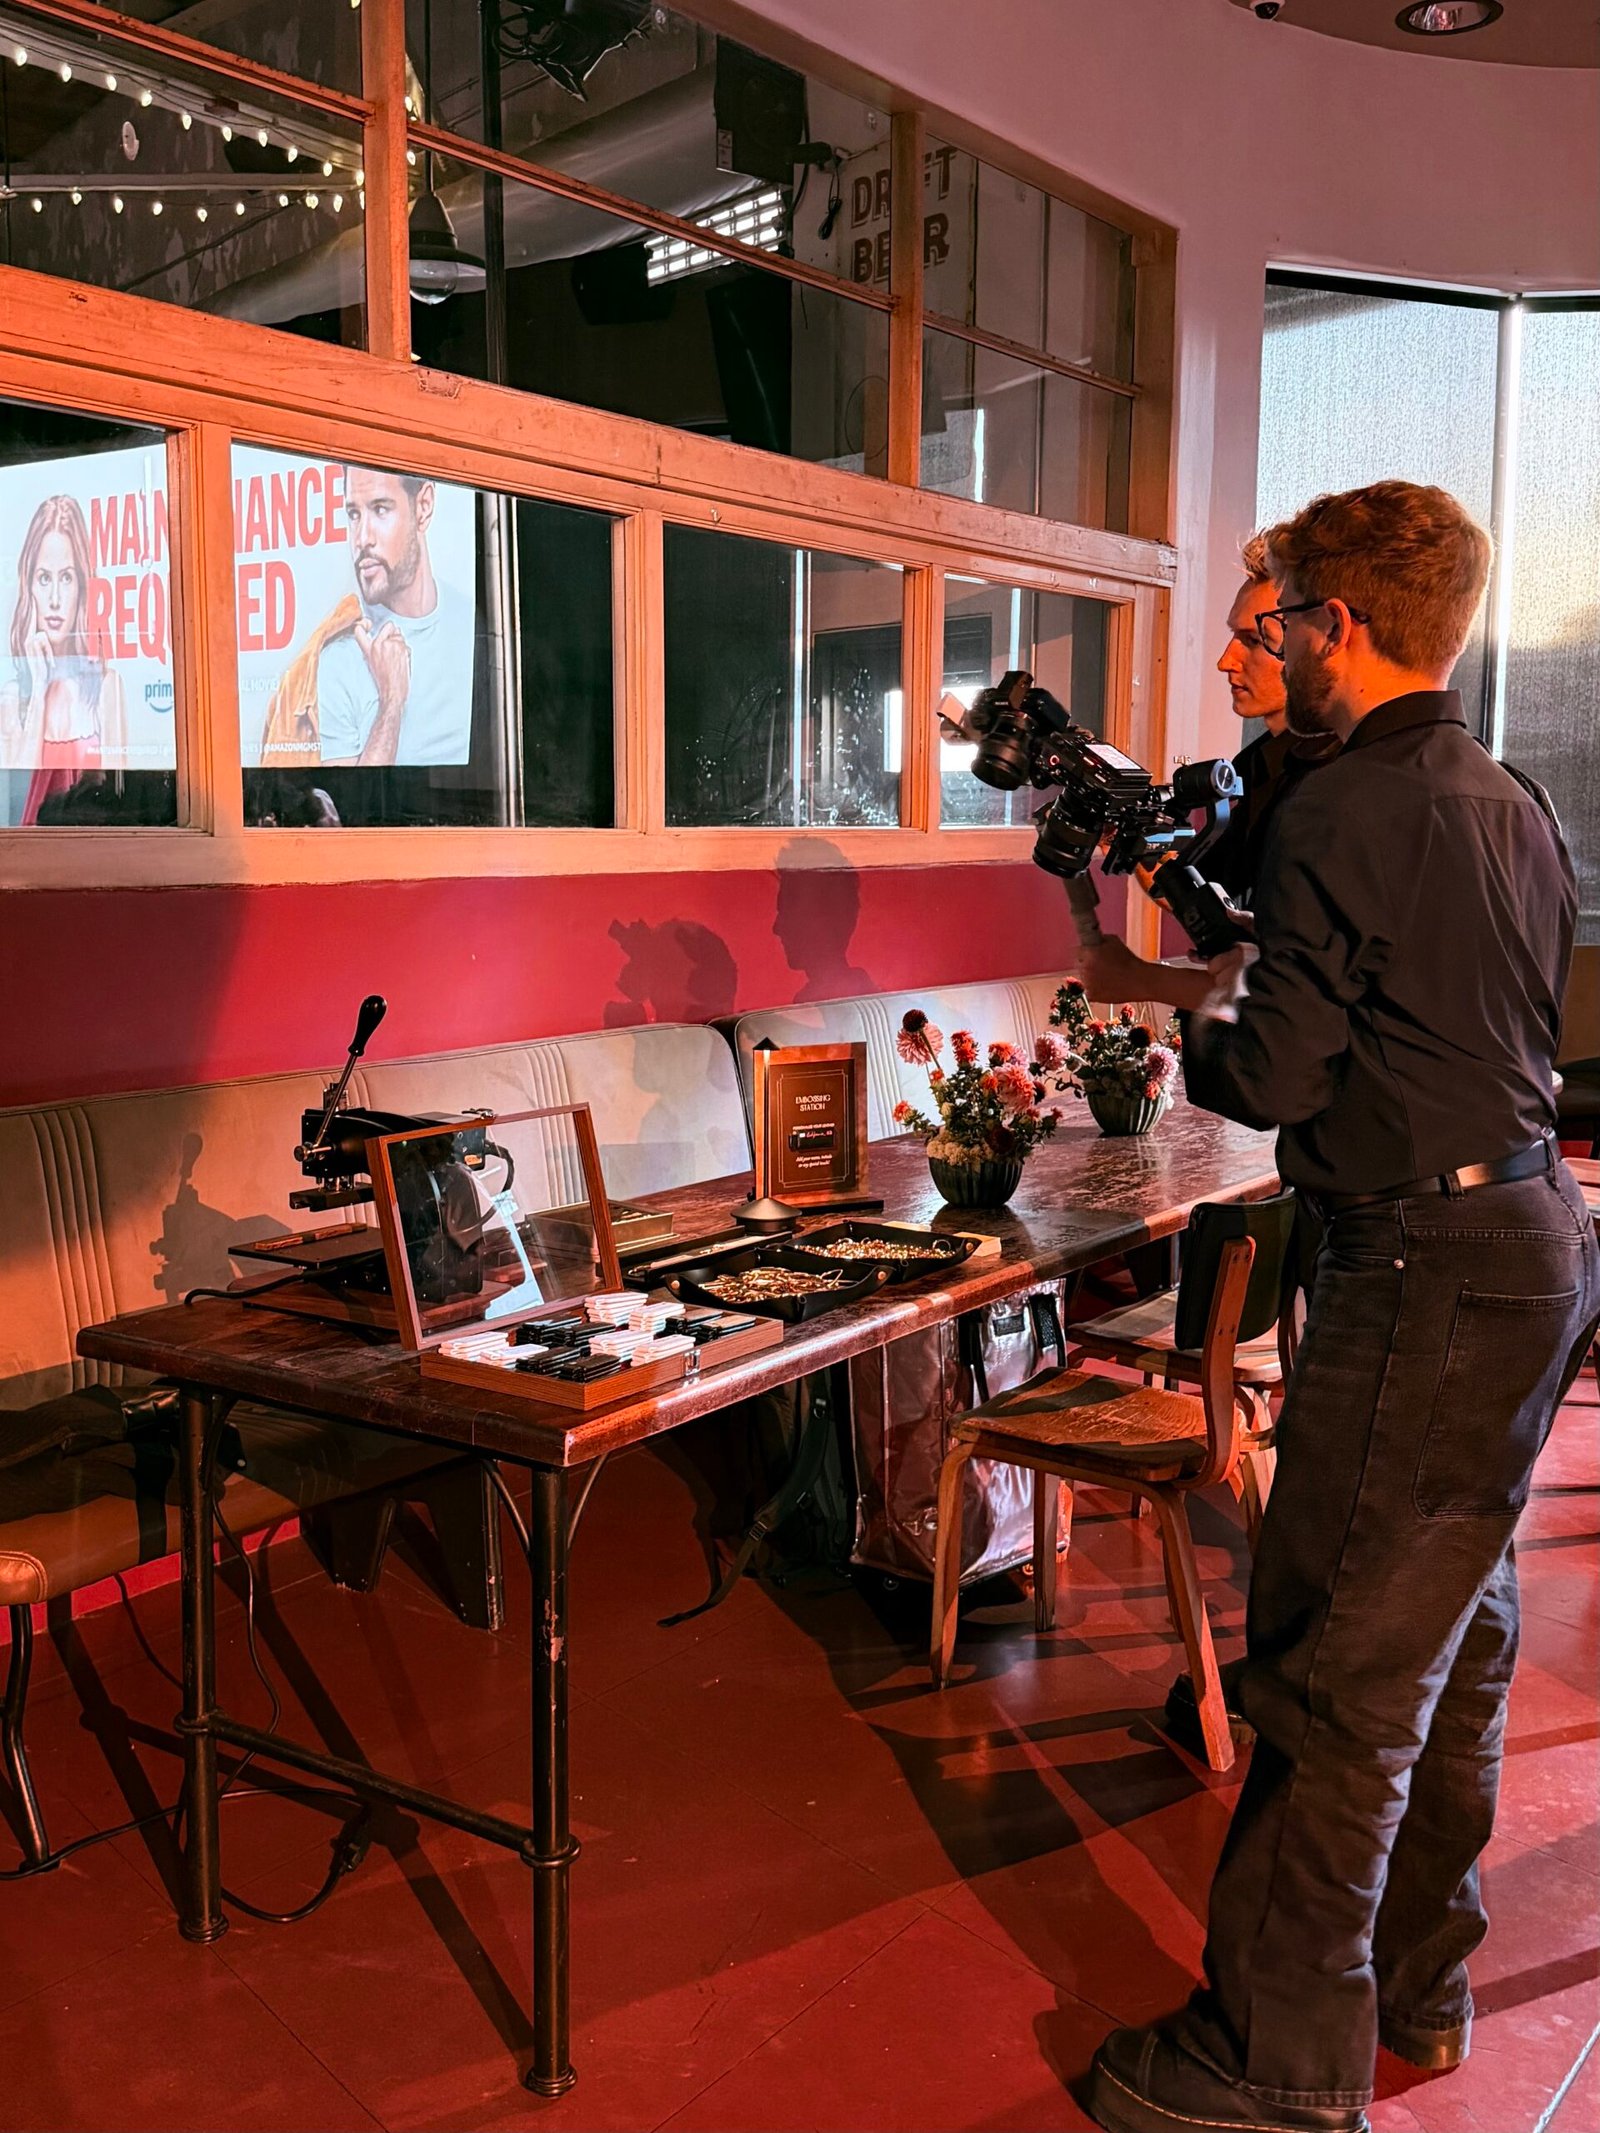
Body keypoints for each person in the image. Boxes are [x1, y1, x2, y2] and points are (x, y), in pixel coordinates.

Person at [1087, 480, 1600, 2133]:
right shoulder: (1508, 796)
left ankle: (1269, 2064)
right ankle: (1417, 1986)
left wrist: (1182, 1016)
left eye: (1282, 617)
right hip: (1533, 1237)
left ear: (1342, 624)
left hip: (1422, 1266)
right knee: (1455, 1638)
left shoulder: (1344, 811)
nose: (1265, 645)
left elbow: (1276, 1072)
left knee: (1334, 1673)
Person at [1077, 534, 1334, 1013]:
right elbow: (1201, 892)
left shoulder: (1341, 787)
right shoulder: (1255, 766)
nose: (1225, 661)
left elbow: (1307, 1003)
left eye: (1253, 640)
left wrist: (1143, 979)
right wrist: (1132, 834)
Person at [258, 466, 474, 768]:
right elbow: (354, 796)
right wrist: (391, 701)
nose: (362, 538)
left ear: (423, 506)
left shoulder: (473, 623)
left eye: (380, 509)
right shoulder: (339, 659)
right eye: (354, 514)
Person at [0, 494, 127, 822]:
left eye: (67, 577)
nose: (55, 599)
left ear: (82, 585)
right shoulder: (13, 697)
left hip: (90, 845)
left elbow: (121, 805)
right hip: (27, 848)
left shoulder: (107, 686)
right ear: (29, 585)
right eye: (44, 578)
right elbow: (17, 803)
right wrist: (39, 688)